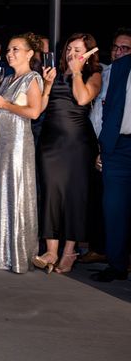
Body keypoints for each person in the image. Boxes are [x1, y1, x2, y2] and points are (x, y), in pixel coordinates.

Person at [0, 33, 43, 273]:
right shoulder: (6, 79)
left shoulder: (32, 78)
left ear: (29, 54)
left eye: (16, 49)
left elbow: (34, 112)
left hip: (17, 143)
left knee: (14, 192)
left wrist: (6, 106)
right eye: (9, 50)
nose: (10, 53)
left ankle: (16, 254)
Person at [34, 34, 102, 274]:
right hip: (50, 142)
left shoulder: (94, 75)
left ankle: (69, 251)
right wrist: (48, 83)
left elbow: (83, 98)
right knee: (51, 192)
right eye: (69, 49)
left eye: (78, 50)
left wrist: (75, 73)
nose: (72, 54)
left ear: (88, 54)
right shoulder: (52, 72)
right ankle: (51, 250)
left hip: (78, 143)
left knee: (74, 196)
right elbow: (39, 108)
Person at [92, 33, 131, 282]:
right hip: (117, 148)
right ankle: (116, 265)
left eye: (125, 47)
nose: (120, 51)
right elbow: (104, 109)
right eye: (117, 47)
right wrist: (103, 146)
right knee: (113, 208)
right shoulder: (117, 68)